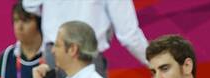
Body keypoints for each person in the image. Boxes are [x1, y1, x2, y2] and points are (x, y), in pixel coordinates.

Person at [21, 0, 149, 72]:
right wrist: (153, 61)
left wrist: (54, 16)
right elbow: (129, 35)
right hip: (86, 57)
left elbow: (30, 5)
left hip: (55, 54)